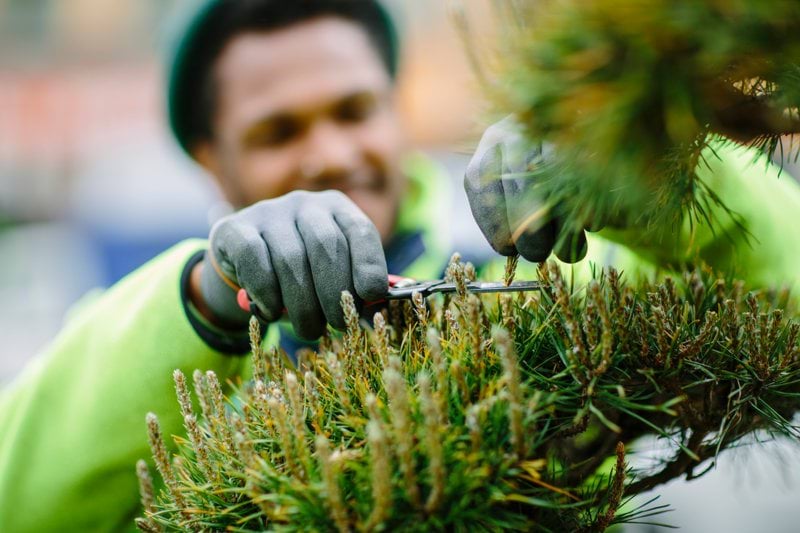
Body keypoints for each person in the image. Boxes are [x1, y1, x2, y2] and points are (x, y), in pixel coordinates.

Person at [0, 0, 798, 531]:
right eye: (279, 131)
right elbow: (23, 498)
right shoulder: (147, 353)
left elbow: (779, 303)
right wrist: (207, 299)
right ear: (211, 159)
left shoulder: (522, 295)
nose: (333, 153)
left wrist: (647, 184)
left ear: (394, 106)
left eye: (354, 110)